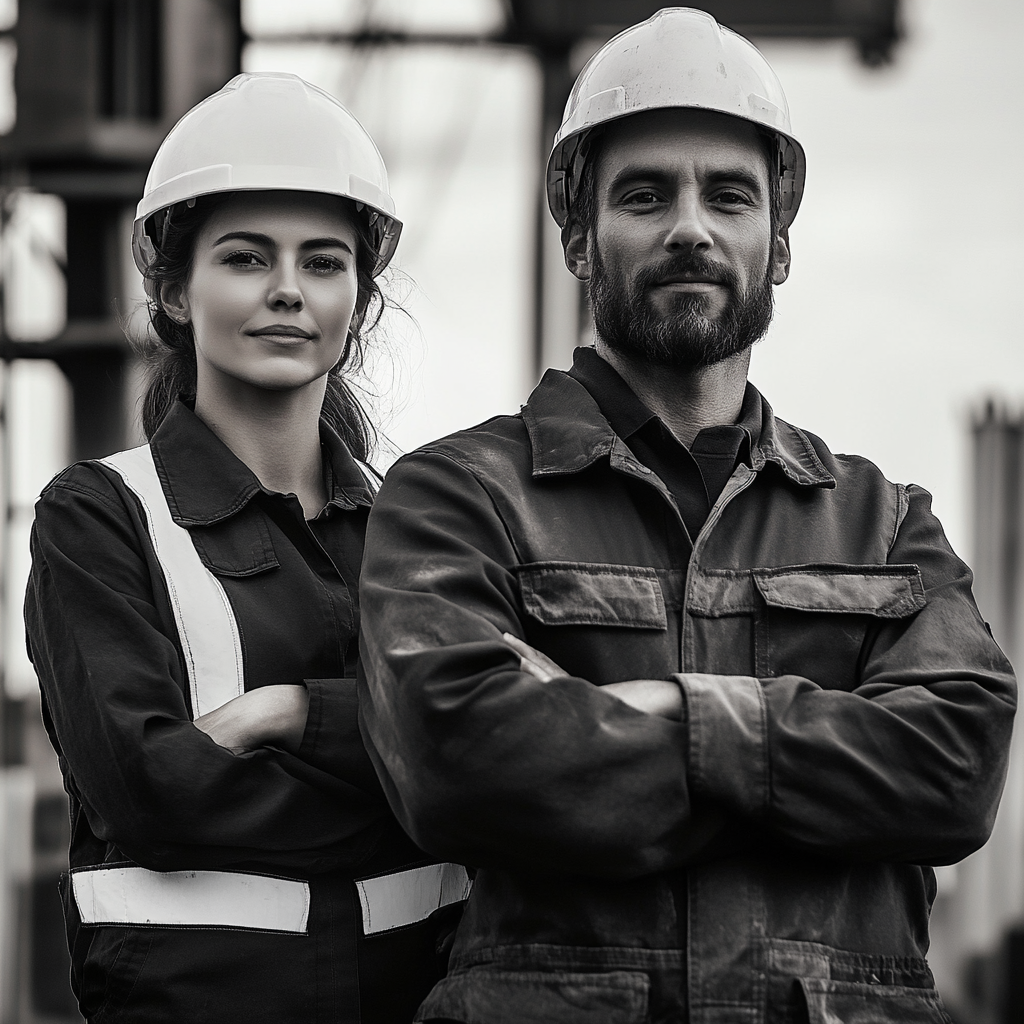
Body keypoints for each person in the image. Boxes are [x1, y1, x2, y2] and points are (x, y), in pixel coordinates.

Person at [357, 9, 1017, 1023]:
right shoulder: (462, 498)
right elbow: (461, 764)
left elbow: (955, 769)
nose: (690, 226)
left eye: (728, 195)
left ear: (778, 245)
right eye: (644, 194)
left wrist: (666, 715)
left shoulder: (882, 525)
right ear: (578, 238)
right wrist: (817, 765)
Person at [25, 72, 468, 1024]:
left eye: (322, 261)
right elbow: (154, 793)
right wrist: (400, 770)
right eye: (244, 257)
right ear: (174, 291)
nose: (286, 292)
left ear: (360, 296)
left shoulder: (418, 527)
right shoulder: (101, 517)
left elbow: (479, 757)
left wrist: (284, 715)